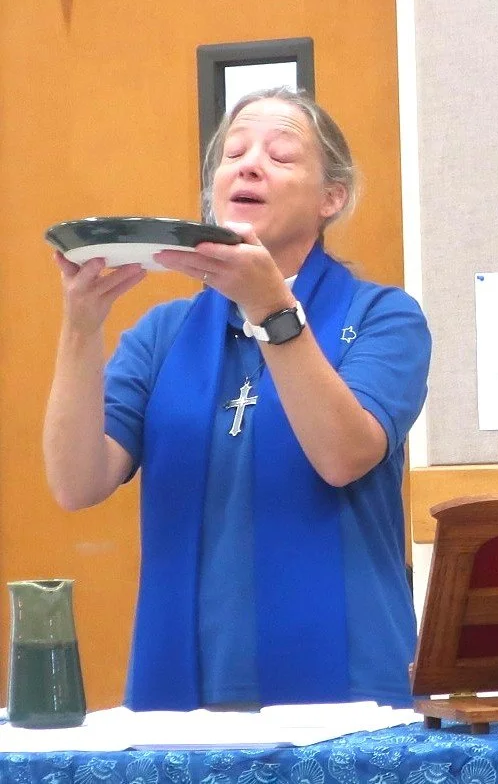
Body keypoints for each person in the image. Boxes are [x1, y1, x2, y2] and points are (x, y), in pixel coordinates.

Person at [43, 88, 430, 711]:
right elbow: (76, 483)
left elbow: (342, 457)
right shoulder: (162, 334)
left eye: (280, 155)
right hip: (186, 689)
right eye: (234, 153)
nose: (248, 165)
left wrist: (272, 309)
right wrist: (82, 324)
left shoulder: (384, 316)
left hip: (346, 688)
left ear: (331, 198)